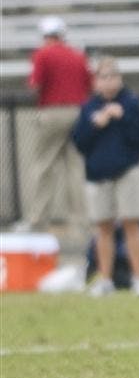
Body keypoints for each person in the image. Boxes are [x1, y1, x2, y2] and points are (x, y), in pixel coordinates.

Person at [72, 57, 139, 297]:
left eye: (112, 76)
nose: (108, 82)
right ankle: (105, 279)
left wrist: (123, 117)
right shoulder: (88, 108)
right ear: (96, 81)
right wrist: (97, 123)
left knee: (131, 223)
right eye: (103, 77)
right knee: (103, 227)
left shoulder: (131, 103)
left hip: (128, 172)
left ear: (120, 78)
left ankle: (138, 279)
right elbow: (79, 142)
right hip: (98, 175)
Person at [15, 16, 92, 235]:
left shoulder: (42, 54)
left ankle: (37, 220)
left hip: (51, 112)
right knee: (75, 169)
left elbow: (35, 85)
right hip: (79, 112)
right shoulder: (78, 55)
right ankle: (80, 224)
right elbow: (89, 85)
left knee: (44, 166)